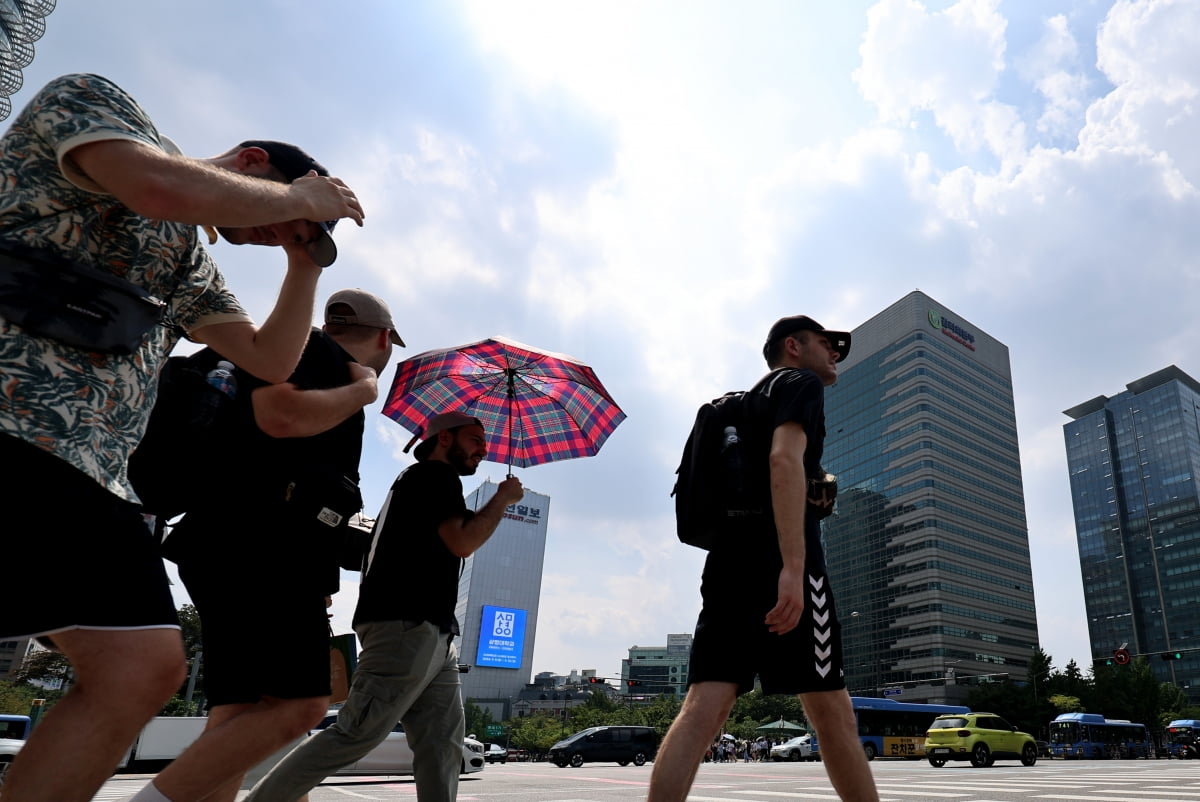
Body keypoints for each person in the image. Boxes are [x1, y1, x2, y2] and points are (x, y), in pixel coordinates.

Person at [0, 73, 363, 802]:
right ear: (254, 162)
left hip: (88, 470)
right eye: (279, 209)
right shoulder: (97, 104)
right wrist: (304, 200)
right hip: (10, 423)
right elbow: (156, 187)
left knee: (142, 667)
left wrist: (302, 266)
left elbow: (268, 358)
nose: (275, 231)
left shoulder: (189, 265)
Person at [151, 288, 403, 802]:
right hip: (263, 549)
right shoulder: (322, 355)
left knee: (238, 711)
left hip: (229, 544)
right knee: (303, 704)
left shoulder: (289, 351)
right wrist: (364, 390)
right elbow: (280, 415)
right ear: (383, 338)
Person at [647, 315, 880, 802]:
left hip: (728, 564)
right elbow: (783, 459)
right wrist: (793, 569)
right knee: (832, 716)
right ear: (793, 347)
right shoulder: (799, 385)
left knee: (702, 709)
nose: (835, 353)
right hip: (785, 566)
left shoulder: (735, 409)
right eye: (827, 343)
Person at [245, 411, 525, 802]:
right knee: (356, 733)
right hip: (406, 627)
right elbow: (463, 540)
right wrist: (503, 498)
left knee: (442, 744)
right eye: (475, 439)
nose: (484, 449)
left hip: (435, 634)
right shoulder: (433, 477)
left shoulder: (417, 482)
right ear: (445, 439)